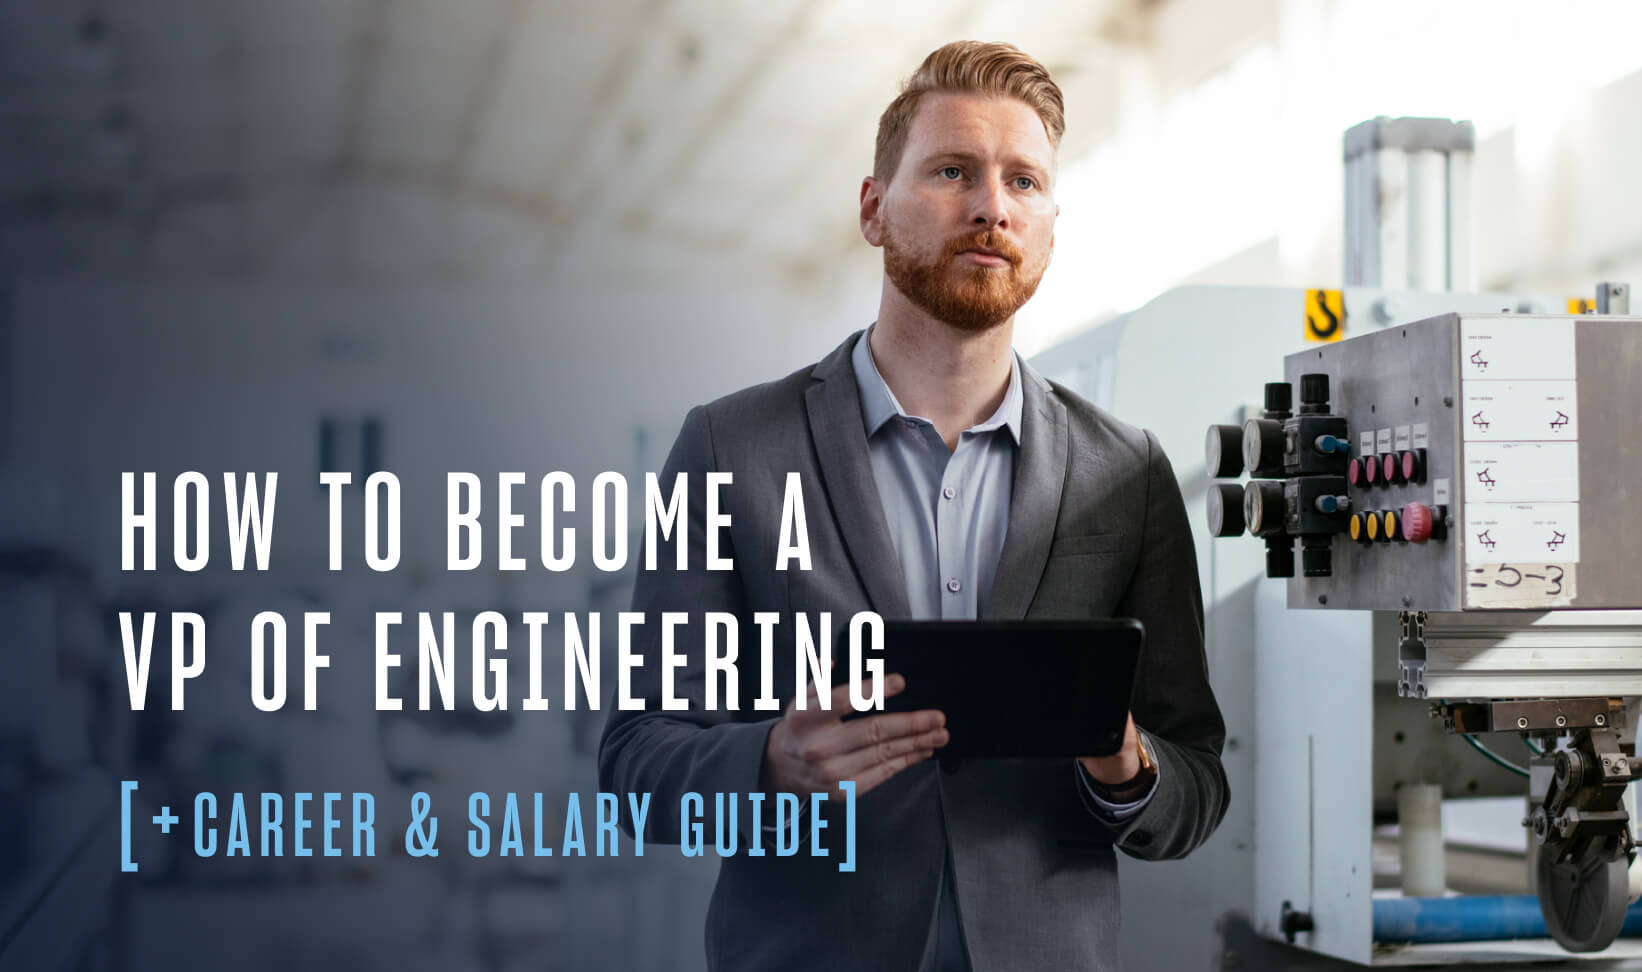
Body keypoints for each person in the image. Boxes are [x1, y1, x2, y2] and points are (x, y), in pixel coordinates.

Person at [600, 40, 1228, 972]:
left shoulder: (1126, 474)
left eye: (1025, 182)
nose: (991, 207)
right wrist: (773, 762)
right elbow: (633, 762)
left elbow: (1198, 783)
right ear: (872, 208)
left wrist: (1126, 764)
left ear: (1052, 224)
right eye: (952, 171)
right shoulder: (733, 449)